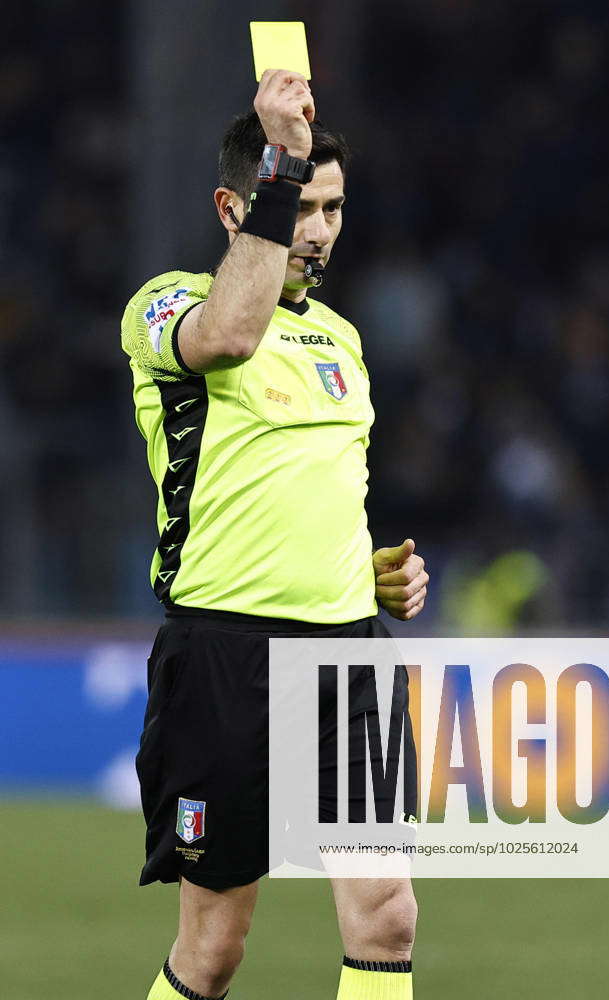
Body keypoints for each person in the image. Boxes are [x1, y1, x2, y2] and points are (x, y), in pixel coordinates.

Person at [121, 69, 429, 1000]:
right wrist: (280, 163)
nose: (319, 227)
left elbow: (318, 491)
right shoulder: (163, 307)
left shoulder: (341, 338)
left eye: (331, 205)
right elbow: (230, 334)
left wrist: (364, 572)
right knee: (215, 948)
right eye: (298, 202)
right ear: (234, 206)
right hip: (224, 654)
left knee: (386, 911)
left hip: (344, 653)